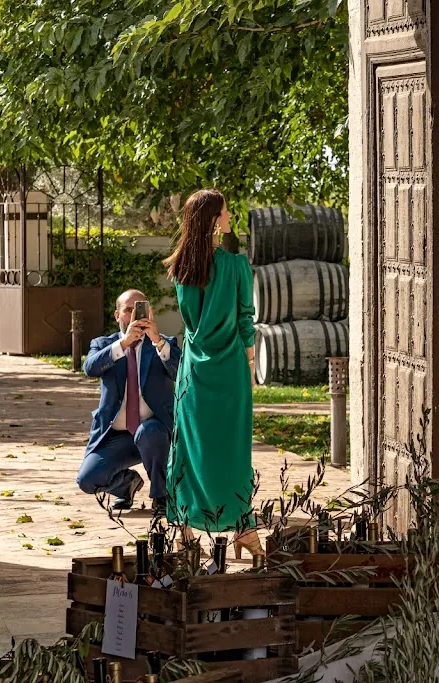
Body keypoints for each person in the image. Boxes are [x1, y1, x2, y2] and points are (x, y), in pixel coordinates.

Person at [163, 188, 263, 558]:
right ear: (214, 220)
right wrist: (250, 365)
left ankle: (183, 532)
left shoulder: (181, 267)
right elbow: (245, 320)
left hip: (194, 371)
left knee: (190, 450)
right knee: (233, 451)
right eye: (226, 211)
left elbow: (191, 322)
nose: (230, 216)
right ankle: (243, 529)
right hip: (231, 369)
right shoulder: (235, 266)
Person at [77, 290, 180, 515]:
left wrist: (157, 341)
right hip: (116, 436)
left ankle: (161, 496)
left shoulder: (163, 343)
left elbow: (180, 373)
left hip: (154, 433)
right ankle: (126, 485)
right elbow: (90, 369)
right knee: (87, 479)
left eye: (140, 309)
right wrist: (123, 344)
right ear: (117, 316)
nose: (134, 315)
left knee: (149, 432)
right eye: (128, 310)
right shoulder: (103, 344)